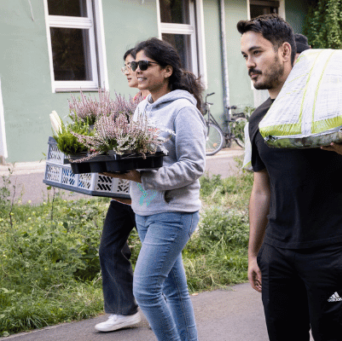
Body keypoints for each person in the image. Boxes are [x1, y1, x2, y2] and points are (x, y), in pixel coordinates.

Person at [240, 15, 342, 341]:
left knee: (331, 335)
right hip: (278, 251)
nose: (250, 63)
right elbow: (261, 189)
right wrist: (254, 253)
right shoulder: (259, 119)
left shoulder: (332, 106)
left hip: (330, 247)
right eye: (245, 56)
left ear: (285, 51)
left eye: (257, 52)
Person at [101, 38, 206, 341]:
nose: (137, 69)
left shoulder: (183, 110)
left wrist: (144, 179)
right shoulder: (142, 109)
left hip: (173, 213)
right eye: (134, 64)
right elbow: (139, 161)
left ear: (167, 70)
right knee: (174, 290)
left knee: (145, 291)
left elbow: (193, 166)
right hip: (145, 211)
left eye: (144, 64)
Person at [93, 47, 147, 333]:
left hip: (146, 192)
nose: (129, 71)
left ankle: (169, 308)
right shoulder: (134, 103)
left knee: (158, 255)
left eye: (133, 65)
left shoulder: (158, 103)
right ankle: (124, 311)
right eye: (126, 66)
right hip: (123, 195)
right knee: (109, 247)